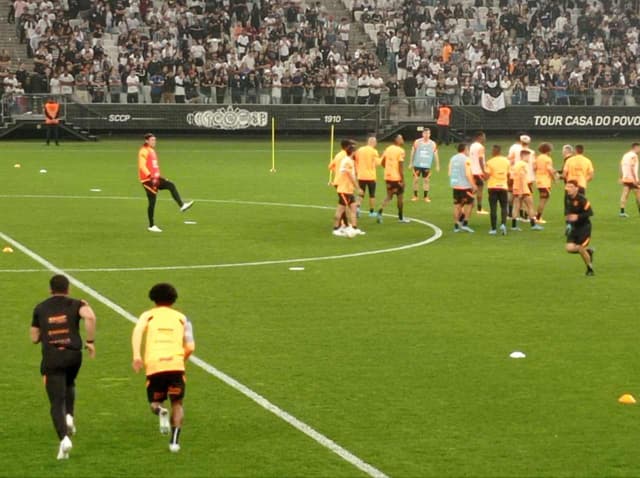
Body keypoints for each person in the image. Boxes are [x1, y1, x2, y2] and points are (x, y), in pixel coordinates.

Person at [31, 274, 97, 459]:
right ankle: (70, 416)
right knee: (69, 383)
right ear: (68, 289)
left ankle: (64, 439)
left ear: (50, 289)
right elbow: (90, 317)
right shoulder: (77, 303)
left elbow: (34, 337)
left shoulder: (40, 307)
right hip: (74, 355)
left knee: (56, 401)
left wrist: (45, 331)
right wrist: (90, 341)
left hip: (53, 357)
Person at [132, 283, 195, 452]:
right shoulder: (183, 318)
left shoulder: (148, 315)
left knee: (154, 402)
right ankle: (174, 441)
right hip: (176, 365)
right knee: (177, 403)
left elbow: (137, 332)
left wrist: (137, 355)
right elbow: (190, 346)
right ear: (174, 298)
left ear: (153, 298)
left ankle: (160, 410)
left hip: (154, 365)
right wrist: (181, 360)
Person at [138, 133, 194, 232]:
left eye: (154, 140)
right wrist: (150, 176)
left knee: (170, 185)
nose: (154, 142)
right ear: (146, 141)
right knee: (152, 201)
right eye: (152, 140)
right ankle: (151, 226)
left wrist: (159, 176)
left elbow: (153, 166)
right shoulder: (143, 151)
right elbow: (142, 166)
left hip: (155, 178)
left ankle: (182, 205)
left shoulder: (151, 150)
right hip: (148, 180)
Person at [332, 143, 365, 237]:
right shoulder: (347, 161)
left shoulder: (350, 161)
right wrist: (358, 188)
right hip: (344, 190)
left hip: (349, 190)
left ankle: (354, 228)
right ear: (353, 152)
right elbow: (349, 175)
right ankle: (336, 229)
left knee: (353, 208)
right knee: (340, 210)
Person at [377, 134, 410, 224]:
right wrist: (402, 180)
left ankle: (380, 212)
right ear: (396, 140)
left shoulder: (388, 149)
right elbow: (400, 167)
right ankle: (400, 217)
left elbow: (382, 162)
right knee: (400, 198)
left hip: (388, 176)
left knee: (389, 196)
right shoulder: (400, 151)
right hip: (396, 178)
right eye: (401, 138)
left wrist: (388, 169)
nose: (402, 139)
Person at [565, 180, 594, 276]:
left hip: (584, 228)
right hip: (574, 227)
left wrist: (578, 217)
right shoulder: (567, 198)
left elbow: (590, 213)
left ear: (576, 188)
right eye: (567, 187)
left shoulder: (582, 199)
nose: (568, 189)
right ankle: (588, 251)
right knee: (569, 248)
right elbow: (568, 213)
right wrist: (568, 224)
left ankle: (590, 269)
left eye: (571, 187)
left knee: (581, 247)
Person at [511, 150, 544, 232]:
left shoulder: (516, 165)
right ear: (523, 156)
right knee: (530, 206)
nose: (529, 158)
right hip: (523, 189)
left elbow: (512, 177)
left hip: (516, 188)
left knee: (516, 206)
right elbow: (522, 177)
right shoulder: (523, 165)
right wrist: (522, 190)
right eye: (528, 156)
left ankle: (514, 226)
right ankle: (533, 224)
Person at [448, 143, 476, 233]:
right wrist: (473, 185)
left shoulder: (453, 158)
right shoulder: (467, 160)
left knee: (457, 205)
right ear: (465, 149)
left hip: (455, 185)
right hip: (465, 186)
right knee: (470, 204)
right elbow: (468, 174)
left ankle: (456, 226)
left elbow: (449, 172)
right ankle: (465, 224)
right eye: (468, 149)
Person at [484, 144, 510, 235]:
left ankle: (494, 228)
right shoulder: (506, 161)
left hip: (492, 186)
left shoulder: (490, 162)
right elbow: (509, 174)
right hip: (503, 186)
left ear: (494, 151)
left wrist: (483, 174)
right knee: (504, 207)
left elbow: (486, 176)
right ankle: (503, 224)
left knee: (493, 208)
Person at [409, 127, 439, 202]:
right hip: (417, 164)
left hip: (426, 165)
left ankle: (425, 197)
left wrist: (437, 165)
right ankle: (415, 196)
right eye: (425, 133)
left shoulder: (432, 144)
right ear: (422, 134)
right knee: (415, 180)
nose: (426, 135)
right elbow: (412, 152)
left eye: (428, 133)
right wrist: (410, 162)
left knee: (426, 180)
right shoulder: (417, 142)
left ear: (430, 134)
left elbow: (436, 154)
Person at [354, 135, 380, 217]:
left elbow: (355, 160)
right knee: (372, 194)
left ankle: (357, 208)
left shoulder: (360, 150)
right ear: (373, 142)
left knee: (361, 193)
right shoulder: (374, 151)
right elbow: (377, 163)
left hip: (361, 175)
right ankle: (371, 212)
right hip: (371, 176)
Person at [534, 142, 557, 223]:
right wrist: (554, 179)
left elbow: (534, 168)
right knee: (543, 200)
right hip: (545, 182)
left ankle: (537, 215)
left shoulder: (538, 157)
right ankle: (538, 218)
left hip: (538, 181)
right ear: (547, 150)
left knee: (542, 199)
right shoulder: (548, 159)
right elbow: (549, 170)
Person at [619, 143, 640, 217]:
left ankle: (622, 212)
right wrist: (636, 179)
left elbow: (621, 165)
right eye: (639, 148)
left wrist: (621, 177)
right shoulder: (634, 156)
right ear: (636, 147)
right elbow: (632, 167)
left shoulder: (625, 155)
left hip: (625, 178)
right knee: (638, 194)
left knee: (625, 195)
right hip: (632, 179)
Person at [469, 131, 487, 214]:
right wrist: (484, 171)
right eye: (483, 137)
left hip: (472, 170)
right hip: (478, 171)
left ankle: (468, 204)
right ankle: (479, 209)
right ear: (479, 137)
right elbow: (480, 159)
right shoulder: (480, 147)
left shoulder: (472, 146)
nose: (484, 138)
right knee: (479, 190)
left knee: (473, 189)